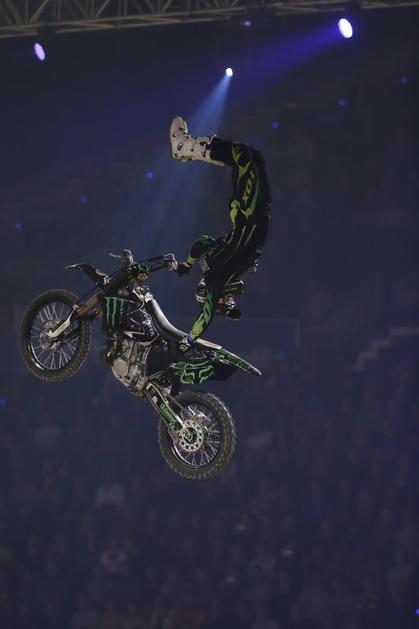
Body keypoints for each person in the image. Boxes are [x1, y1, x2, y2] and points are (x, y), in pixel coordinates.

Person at [169, 116, 271, 351]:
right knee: (253, 157)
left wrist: (190, 339)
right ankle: (194, 149)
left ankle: (185, 147)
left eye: (225, 301)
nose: (230, 299)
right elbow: (204, 243)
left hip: (248, 217)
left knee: (243, 156)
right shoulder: (226, 269)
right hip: (251, 220)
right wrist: (187, 264)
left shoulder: (215, 277)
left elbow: (205, 315)